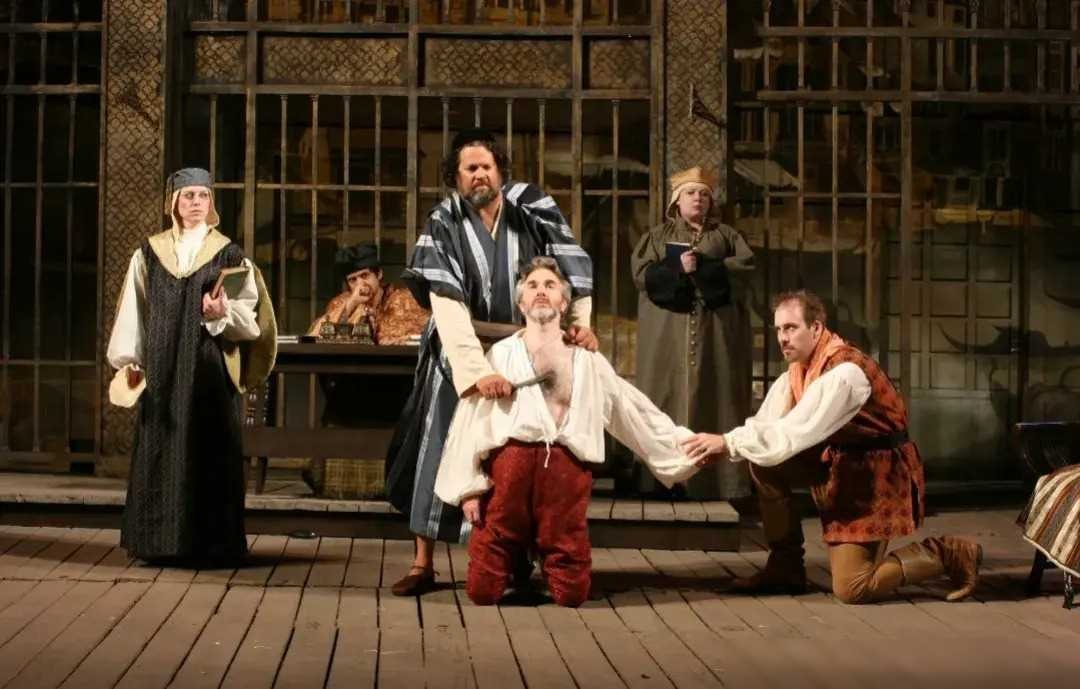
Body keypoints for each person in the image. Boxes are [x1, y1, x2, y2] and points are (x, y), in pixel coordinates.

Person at [385, 128, 598, 597]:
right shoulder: (443, 221)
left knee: (515, 455)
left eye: (486, 166)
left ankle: (511, 561)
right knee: (437, 446)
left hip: (522, 348)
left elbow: (568, 277)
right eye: (469, 168)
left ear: (500, 170)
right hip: (457, 349)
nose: (479, 175)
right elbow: (445, 301)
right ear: (455, 176)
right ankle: (423, 563)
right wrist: (475, 372)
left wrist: (577, 327)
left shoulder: (533, 211)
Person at [683, 289, 982, 604]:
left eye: (791, 328)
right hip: (841, 462)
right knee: (762, 461)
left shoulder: (845, 373)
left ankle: (947, 552)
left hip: (875, 474)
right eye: (778, 329)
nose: (782, 338)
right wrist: (726, 445)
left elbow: (793, 432)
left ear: (815, 328)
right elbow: (766, 427)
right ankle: (786, 567)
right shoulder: (798, 371)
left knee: (853, 588)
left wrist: (728, 443)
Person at [434, 257, 700, 606]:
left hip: (564, 477)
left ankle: (546, 560)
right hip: (508, 479)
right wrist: (469, 491)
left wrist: (684, 444)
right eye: (532, 286)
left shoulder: (586, 359)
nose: (541, 291)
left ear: (564, 302)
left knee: (572, 594)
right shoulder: (501, 355)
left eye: (550, 285)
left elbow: (629, 407)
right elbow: (470, 421)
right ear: (521, 304)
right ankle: (517, 561)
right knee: (482, 592)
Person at [106, 167, 276, 566]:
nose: (195, 202)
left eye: (202, 195)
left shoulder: (230, 255)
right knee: (161, 448)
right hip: (162, 367)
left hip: (207, 368)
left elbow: (248, 318)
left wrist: (222, 314)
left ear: (211, 202)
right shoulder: (149, 253)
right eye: (188, 195)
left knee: (210, 450)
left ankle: (211, 546)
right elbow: (134, 308)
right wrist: (130, 359)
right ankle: (157, 543)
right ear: (174, 202)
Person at [630, 166, 754, 500]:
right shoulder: (657, 237)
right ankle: (660, 480)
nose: (697, 199)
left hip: (716, 333)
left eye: (703, 194)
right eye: (690, 193)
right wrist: (676, 269)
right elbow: (641, 275)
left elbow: (745, 270)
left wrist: (706, 267)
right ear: (676, 201)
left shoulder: (727, 236)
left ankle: (717, 482)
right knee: (662, 398)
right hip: (667, 334)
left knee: (718, 396)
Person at [307, 243, 429, 344]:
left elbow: (423, 337)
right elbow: (314, 338)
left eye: (364, 275)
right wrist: (352, 304)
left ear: (379, 274)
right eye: (353, 280)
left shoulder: (405, 300)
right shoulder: (342, 303)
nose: (360, 285)